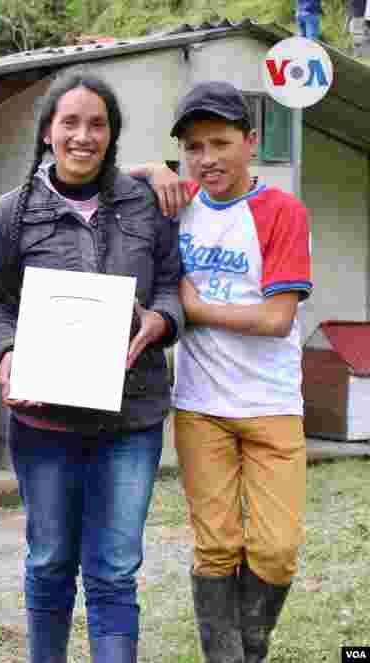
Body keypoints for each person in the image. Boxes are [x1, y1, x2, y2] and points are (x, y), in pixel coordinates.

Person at [0, 70, 183, 663]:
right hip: (46, 424)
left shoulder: (145, 204)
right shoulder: (13, 213)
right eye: (70, 122)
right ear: (47, 132)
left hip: (131, 420)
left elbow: (170, 285)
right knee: (49, 561)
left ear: (112, 134)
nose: (83, 135)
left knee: (115, 568)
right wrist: (7, 352)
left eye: (97, 124)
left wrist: (160, 323)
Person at [165, 80, 312, 663]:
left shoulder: (281, 212)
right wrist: (152, 172)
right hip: (201, 405)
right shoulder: (177, 206)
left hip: (273, 404)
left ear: (250, 143)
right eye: (193, 148)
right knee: (216, 546)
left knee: (276, 550)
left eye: (220, 143)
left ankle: (250, 650)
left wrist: (197, 310)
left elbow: (278, 318)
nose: (207, 159)